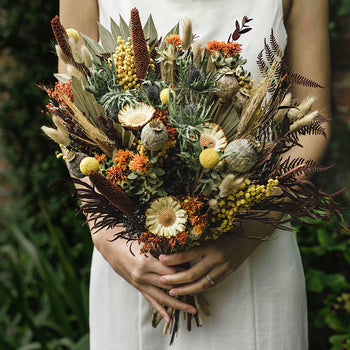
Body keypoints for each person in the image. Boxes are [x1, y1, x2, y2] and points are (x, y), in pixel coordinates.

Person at [59, 0, 331, 348]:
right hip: (135, 263)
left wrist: (250, 229)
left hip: (254, 256)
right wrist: (105, 234)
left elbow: (313, 122)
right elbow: (70, 116)